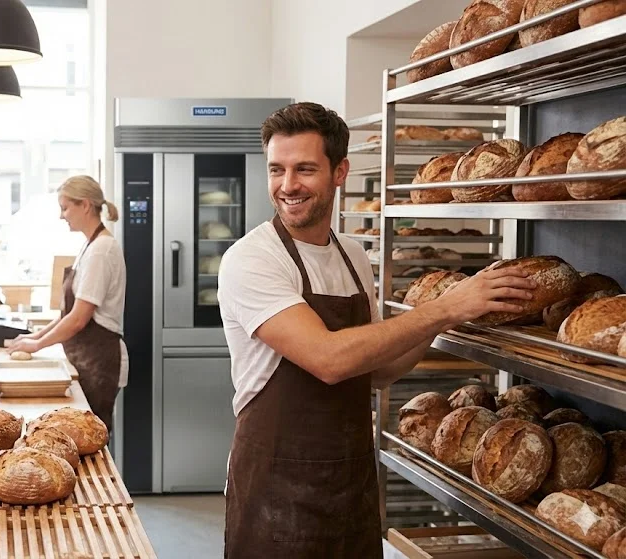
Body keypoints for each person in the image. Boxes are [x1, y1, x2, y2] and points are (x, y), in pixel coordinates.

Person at [218, 102, 536, 558]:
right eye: (277, 170)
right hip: (276, 490)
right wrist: (442, 308)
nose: (288, 185)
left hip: (350, 485)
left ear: (340, 171)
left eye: (304, 169)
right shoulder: (253, 258)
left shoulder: (351, 255)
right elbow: (329, 359)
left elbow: (379, 371)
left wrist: (445, 313)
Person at [7, 176, 128, 432]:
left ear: (85, 205)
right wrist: (34, 336)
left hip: (99, 362)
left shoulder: (101, 250)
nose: (62, 216)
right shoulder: (90, 245)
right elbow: (68, 314)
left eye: (65, 207)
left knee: (92, 438)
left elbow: (79, 319)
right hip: (85, 359)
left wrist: (37, 344)